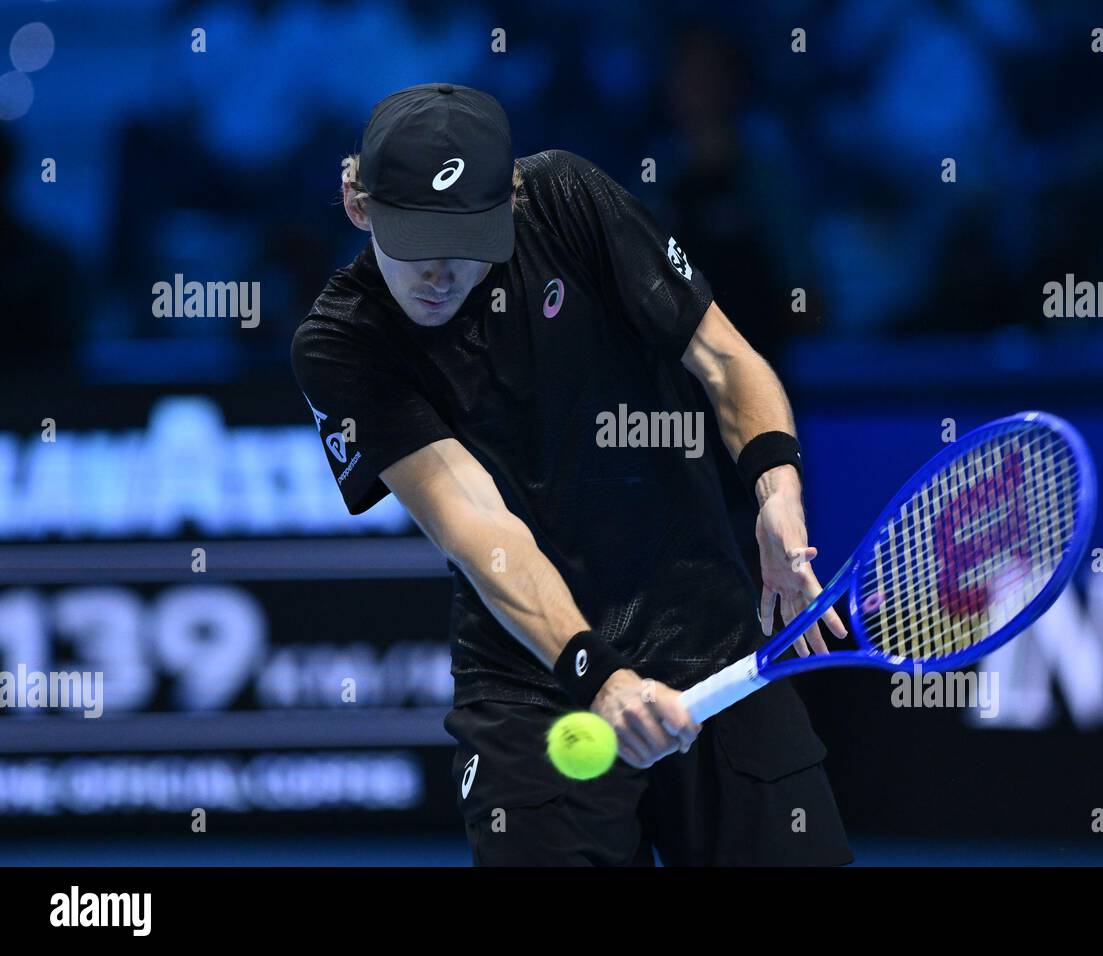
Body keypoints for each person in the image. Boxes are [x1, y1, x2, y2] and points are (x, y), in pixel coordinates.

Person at [291, 83, 851, 865]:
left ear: (511, 204)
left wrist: (776, 492)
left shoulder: (568, 199)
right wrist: (602, 678)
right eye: (415, 241)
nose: (440, 274)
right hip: (536, 697)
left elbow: (725, 359)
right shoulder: (343, 343)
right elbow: (479, 528)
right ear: (357, 203)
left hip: (716, 644)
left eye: (466, 242)